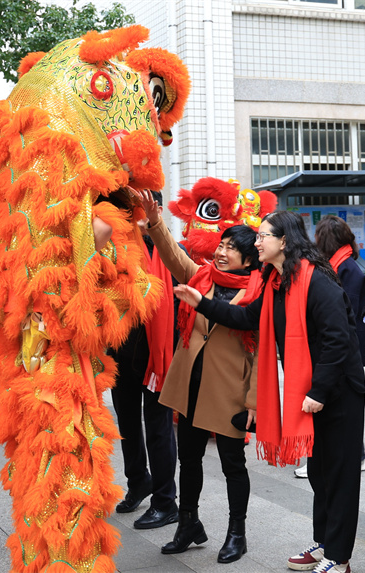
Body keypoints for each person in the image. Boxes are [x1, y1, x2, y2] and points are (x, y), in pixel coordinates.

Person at [175, 210, 365, 573]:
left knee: (339, 475)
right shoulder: (279, 283)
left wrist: (320, 391)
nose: (257, 241)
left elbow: (338, 340)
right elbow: (247, 318)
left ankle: (339, 559)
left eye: (263, 236)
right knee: (319, 473)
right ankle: (324, 542)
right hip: (313, 393)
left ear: (284, 241)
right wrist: (201, 303)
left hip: (338, 393)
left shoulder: (316, 281)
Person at [136, 188, 262, 564]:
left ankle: (236, 532)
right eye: (221, 244)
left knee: (231, 465)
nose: (221, 252)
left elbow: (260, 353)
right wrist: (155, 223)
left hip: (228, 392)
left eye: (230, 248)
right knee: (187, 458)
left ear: (249, 258)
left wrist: (253, 401)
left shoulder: (257, 293)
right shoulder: (203, 275)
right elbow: (174, 258)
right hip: (190, 384)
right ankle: (188, 523)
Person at [109, 190, 179, 531]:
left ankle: (166, 501)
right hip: (120, 352)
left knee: (159, 428)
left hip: (157, 355)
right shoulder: (115, 247)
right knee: (126, 424)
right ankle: (139, 481)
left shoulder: (165, 249)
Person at [294, 215, 365, 479]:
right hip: (352, 344)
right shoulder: (349, 263)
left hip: (348, 348)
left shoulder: (344, 268)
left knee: (343, 405)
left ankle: (355, 454)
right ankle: (349, 454)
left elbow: (340, 320)